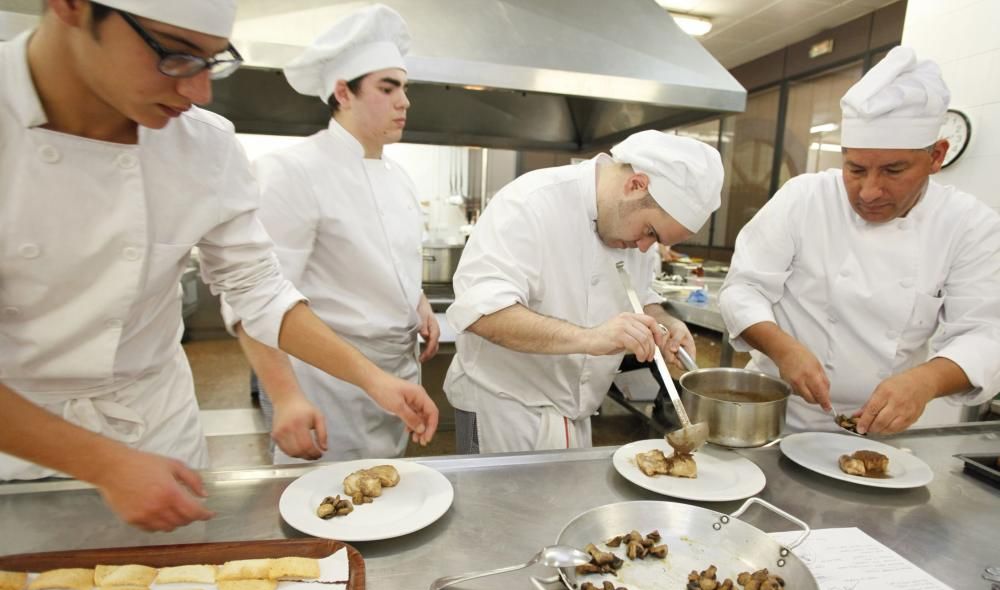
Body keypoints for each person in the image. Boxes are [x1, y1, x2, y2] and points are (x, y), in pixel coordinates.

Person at [0, 0, 438, 532]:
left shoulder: (203, 143)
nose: (199, 92)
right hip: (16, 440)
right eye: (175, 54)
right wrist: (104, 463)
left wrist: (375, 380)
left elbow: (256, 286)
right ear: (68, 8)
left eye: (212, 61)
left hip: (158, 428)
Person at [719, 46, 1000, 435]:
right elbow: (743, 289)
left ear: (936, 156)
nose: (869, 191)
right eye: (855, 168)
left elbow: (985, 333)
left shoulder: (970, 226)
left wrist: (925, 382)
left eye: (893, 170)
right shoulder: (805, 198)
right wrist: (782, 348)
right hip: (774, 414)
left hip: (878, 429)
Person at [224, 4, 440, 464]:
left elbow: (388, 264)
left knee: (388, 503)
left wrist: (418, 303)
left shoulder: (398, 177)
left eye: (404, 87)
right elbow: (254, 299)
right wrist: (284, 397)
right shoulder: (292, 171)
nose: (405, 101)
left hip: (399, 377)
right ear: (343, 91)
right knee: (326, 516)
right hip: (327, 386)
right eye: (389, 87)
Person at [444, 131, 724, 453]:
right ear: (636, 185)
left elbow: (641, 296)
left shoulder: (634, 234)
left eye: (656, 242)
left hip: (576, 417)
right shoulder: (530, 202)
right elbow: (482, 312)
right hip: (504, 411)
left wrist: (663, 323)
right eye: (649, 232)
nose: (646, 247)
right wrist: (591, 338)